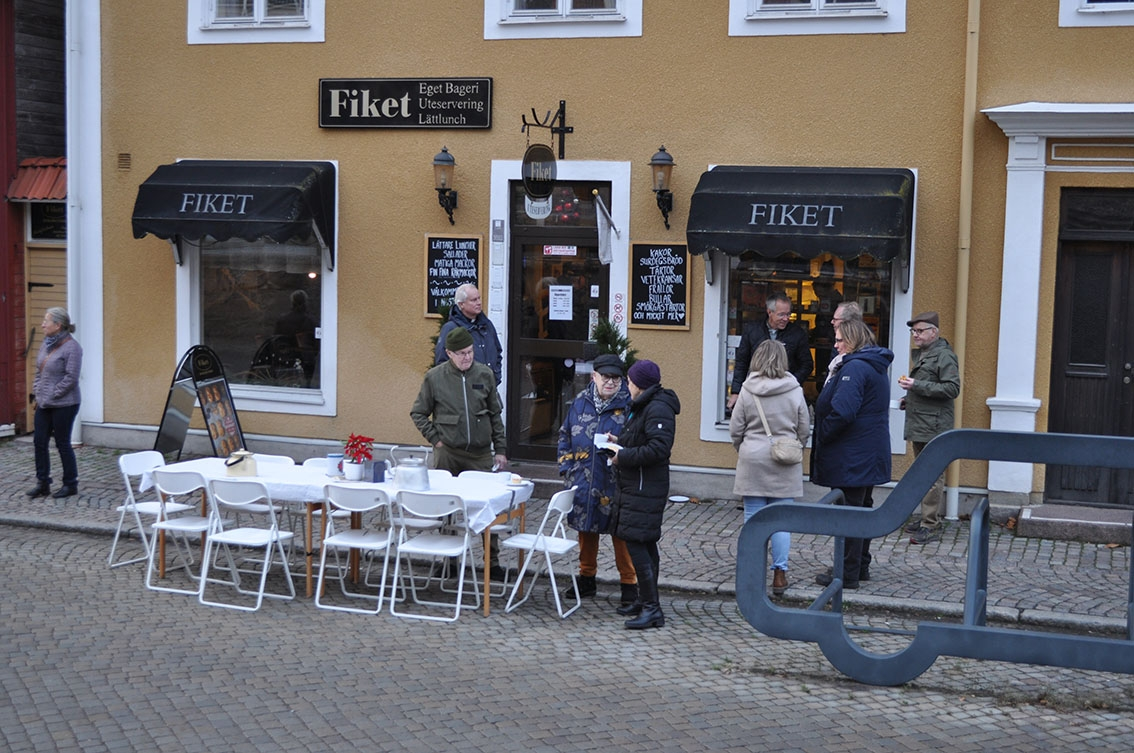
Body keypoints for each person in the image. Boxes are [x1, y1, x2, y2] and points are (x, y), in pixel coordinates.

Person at [412, 326, 509, 579]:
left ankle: (493, 562)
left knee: (488, 507)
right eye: (461, 353)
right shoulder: (435, 378)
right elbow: (418, 413)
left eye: (470, 352)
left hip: (479, 454)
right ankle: (450, 562)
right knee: (447, 508)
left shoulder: (485, 374)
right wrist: (435, 439)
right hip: (448, 453)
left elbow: (495, 415)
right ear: (449, 354)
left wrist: (500, 449)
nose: (467, 357)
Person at [811, 319, 893, 589]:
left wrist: (824, 434)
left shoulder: (855, 367)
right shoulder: (873, 365)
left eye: (840, 340)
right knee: (861, 509)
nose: (835, 345)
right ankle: (859, 566)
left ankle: (847, 572)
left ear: (854, 340)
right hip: (865, 452)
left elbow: (843, 411)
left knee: (849, 513)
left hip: (852, 454)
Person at [729, 340, 810, 596]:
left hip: (753, 458)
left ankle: (753, 574)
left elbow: (735, 429)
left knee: (753, 517)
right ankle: (779, 575)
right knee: (780, 520)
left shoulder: (747, 389)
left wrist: (745, 447)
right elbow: (803, 427)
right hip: (783, 460)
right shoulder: (794, 389)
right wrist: (796, 446)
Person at [557, 354, 638, 608]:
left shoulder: (630, 405)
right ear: (594, 377)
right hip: (583, 479)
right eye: (606, 378)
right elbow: (564, 436)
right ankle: (586, 577)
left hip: (616, 480)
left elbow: (638, 443)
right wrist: (567, 470)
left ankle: (629, 583)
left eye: (615, 378)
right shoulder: (580, 402)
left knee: (621, 533)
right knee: (586, 529)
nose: (610, 383)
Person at [608, 359, 680, 630]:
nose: (627, 385)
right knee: (644, 543)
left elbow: (659, 449)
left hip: (644, 487)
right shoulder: (646, 405)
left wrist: (622, 456)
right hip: (638, 485)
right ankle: (646, 600)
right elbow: (643, 439)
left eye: (629, 381)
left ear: (639, 384)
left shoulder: (657, 407)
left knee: (638, 543)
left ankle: (652, 609)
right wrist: (619, 443)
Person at [898, 311, 961, 545]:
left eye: (920, 330)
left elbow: (952, 389)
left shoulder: (944, 356)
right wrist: (910, 399)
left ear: (934, 332)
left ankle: (930, 524)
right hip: (922, 422)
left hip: (934, 425)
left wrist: (916, 385)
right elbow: (931, 389)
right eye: (913, 331)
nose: (915, 335)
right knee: (922, 473)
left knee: (933, 475)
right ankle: (926, 518)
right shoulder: (926, 355)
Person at [28, 307, 83, 499]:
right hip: (44, 403)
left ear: (58, 325)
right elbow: (39, 372)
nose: (43, 324)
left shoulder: (72, 348)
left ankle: (70, 484)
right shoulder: (46, 344)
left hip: (65, 404)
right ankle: (43, 482)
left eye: (46, 321)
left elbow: (71, 378)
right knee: (39, 442)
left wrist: (53, 394)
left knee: (62, 443)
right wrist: (38, 391)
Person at [728, 291, 813, 410]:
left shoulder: (797, 334)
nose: (786, 318)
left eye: (788, 314)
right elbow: (742, 362)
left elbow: (807, 365)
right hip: (757, 391)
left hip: (785, 393)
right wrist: (736, 392)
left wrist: (790, 383)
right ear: (769, 312)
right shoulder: (752, 330)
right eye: (781, 315)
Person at [435, 284, 503, 386]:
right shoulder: (451, 329)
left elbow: (497, 352)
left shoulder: (487, 325)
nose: (479, 303)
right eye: (473, 300)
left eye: (479, 298)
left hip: (489, 389)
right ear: (461, 304)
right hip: (466, 393)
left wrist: (495, 377)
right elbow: (442, 363)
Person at [273, 289, 318, 386]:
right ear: (306, 302)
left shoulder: (283, 320)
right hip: (306, 358)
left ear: (292, 302)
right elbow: (316, 342)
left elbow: (276, 340)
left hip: (286, 359)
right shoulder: (311, 320)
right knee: (306, 384)